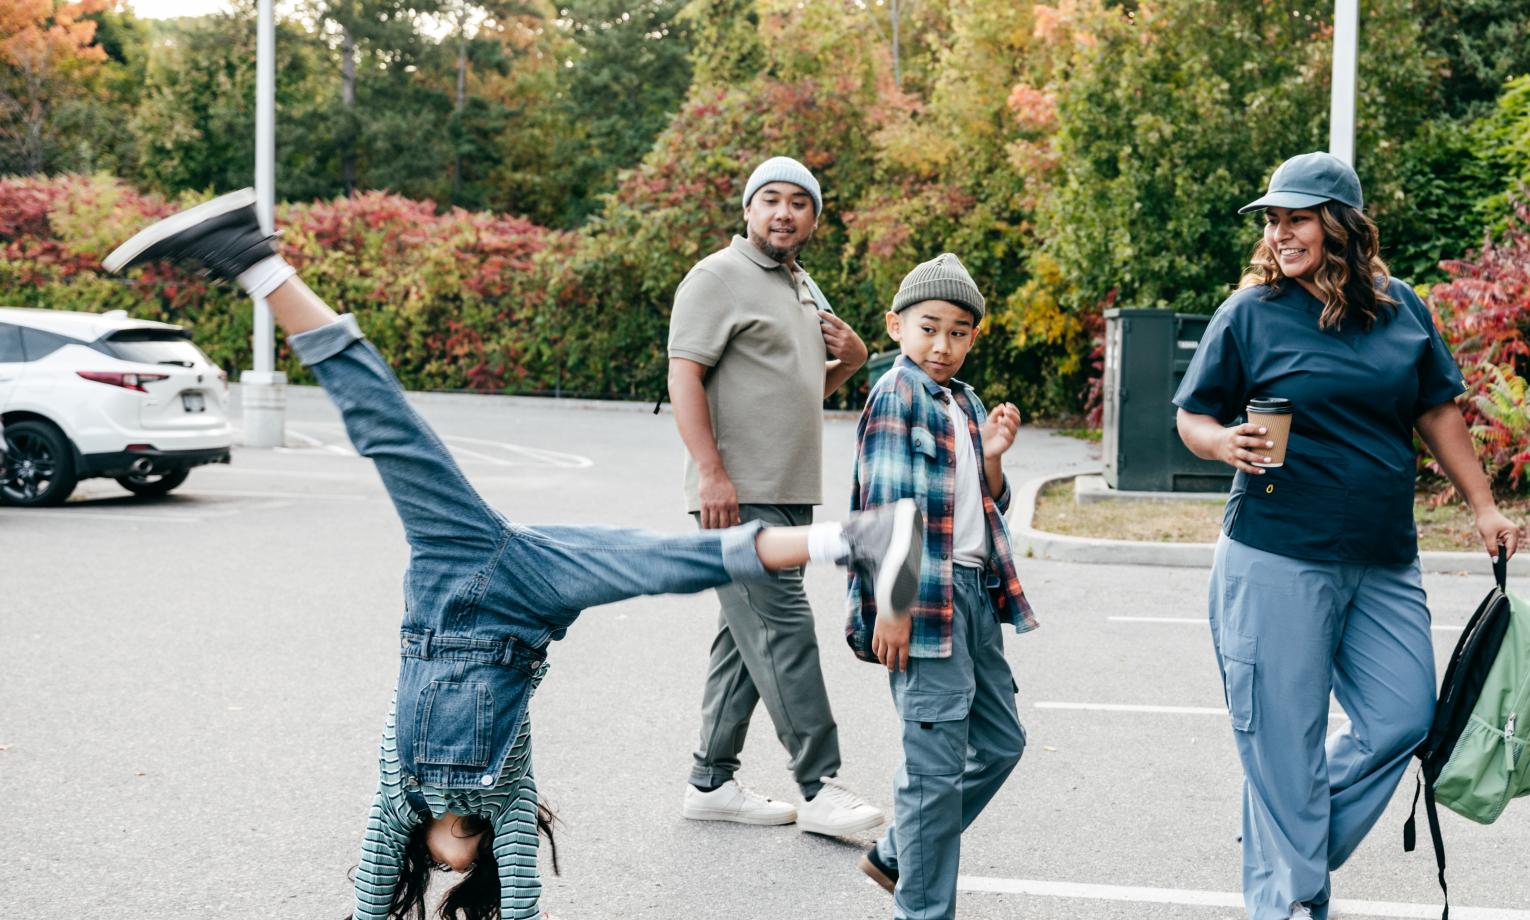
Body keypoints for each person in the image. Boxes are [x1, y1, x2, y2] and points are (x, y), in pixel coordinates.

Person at [98, 188, 923, 920]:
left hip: (448, 579)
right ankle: (858, 538)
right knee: (664, 560)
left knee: (387, 429)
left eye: (437, 857)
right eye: (473, 856)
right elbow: (521, 894)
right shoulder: (507, 796)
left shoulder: (398, 798)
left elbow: (368, 895)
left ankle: (250, 257)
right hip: (525, 601)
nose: (456, 852)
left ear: (420, 853)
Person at [1172, 152, 1525, 920]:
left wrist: (1484, 506)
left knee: (1405, 718)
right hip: (1275, 552)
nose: (1279, 232)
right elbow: (1192, 413)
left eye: (1296, 216)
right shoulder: (1252, 312)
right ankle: (1290, 900)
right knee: (1282, 740)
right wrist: (1219, 442)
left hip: (1382, 556)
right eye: (1273, 219)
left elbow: (1436, 411)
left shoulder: (1402, 308)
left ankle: (1283, 840)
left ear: (1341, 223)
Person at [665, 156, 886, 833]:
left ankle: (710, 782)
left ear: (815, 218)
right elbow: (684, 376)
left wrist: (852, 359)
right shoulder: (717, 277)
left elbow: (795, 395)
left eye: (799, 202)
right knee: (783, 629)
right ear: (748, 210)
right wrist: (711, 473)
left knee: (745, 637)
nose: (784, 212)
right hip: (738, 494)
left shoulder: (801, 285)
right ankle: (819, 786)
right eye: (770, 200)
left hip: (787, 493)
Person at [845, 254, 1036, 919]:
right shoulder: (895, 393)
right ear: (897, 326)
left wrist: (991, 460)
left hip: (976, 594)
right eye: (929, 327)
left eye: (959, 331)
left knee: (1001, 743)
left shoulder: (964, 401)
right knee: (932, 772)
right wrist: (892, 605)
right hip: (925, 597)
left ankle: (898, 852)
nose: (942, 344)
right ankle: (922, 907)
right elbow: (886, 508)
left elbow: (985, 506)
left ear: (974, 337)